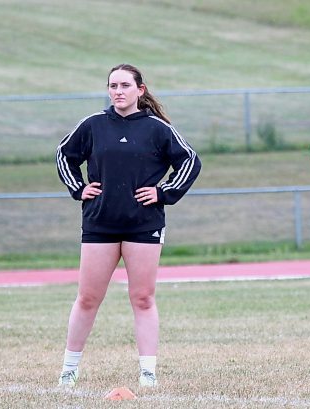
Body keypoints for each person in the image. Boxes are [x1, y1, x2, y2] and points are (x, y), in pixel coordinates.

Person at [55, 63, 201, 388]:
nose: (118, 91)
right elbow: (64, 155)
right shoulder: (93, 124)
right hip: (99, 224)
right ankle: (69, 370)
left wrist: (165, 192)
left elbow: (190, 160)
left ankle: (148, 373)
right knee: (87, 298)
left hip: (143, 225)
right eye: (113, 85)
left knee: (143, 298)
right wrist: (79, 189)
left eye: (125, 85)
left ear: (140, 90)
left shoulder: (156, 128)